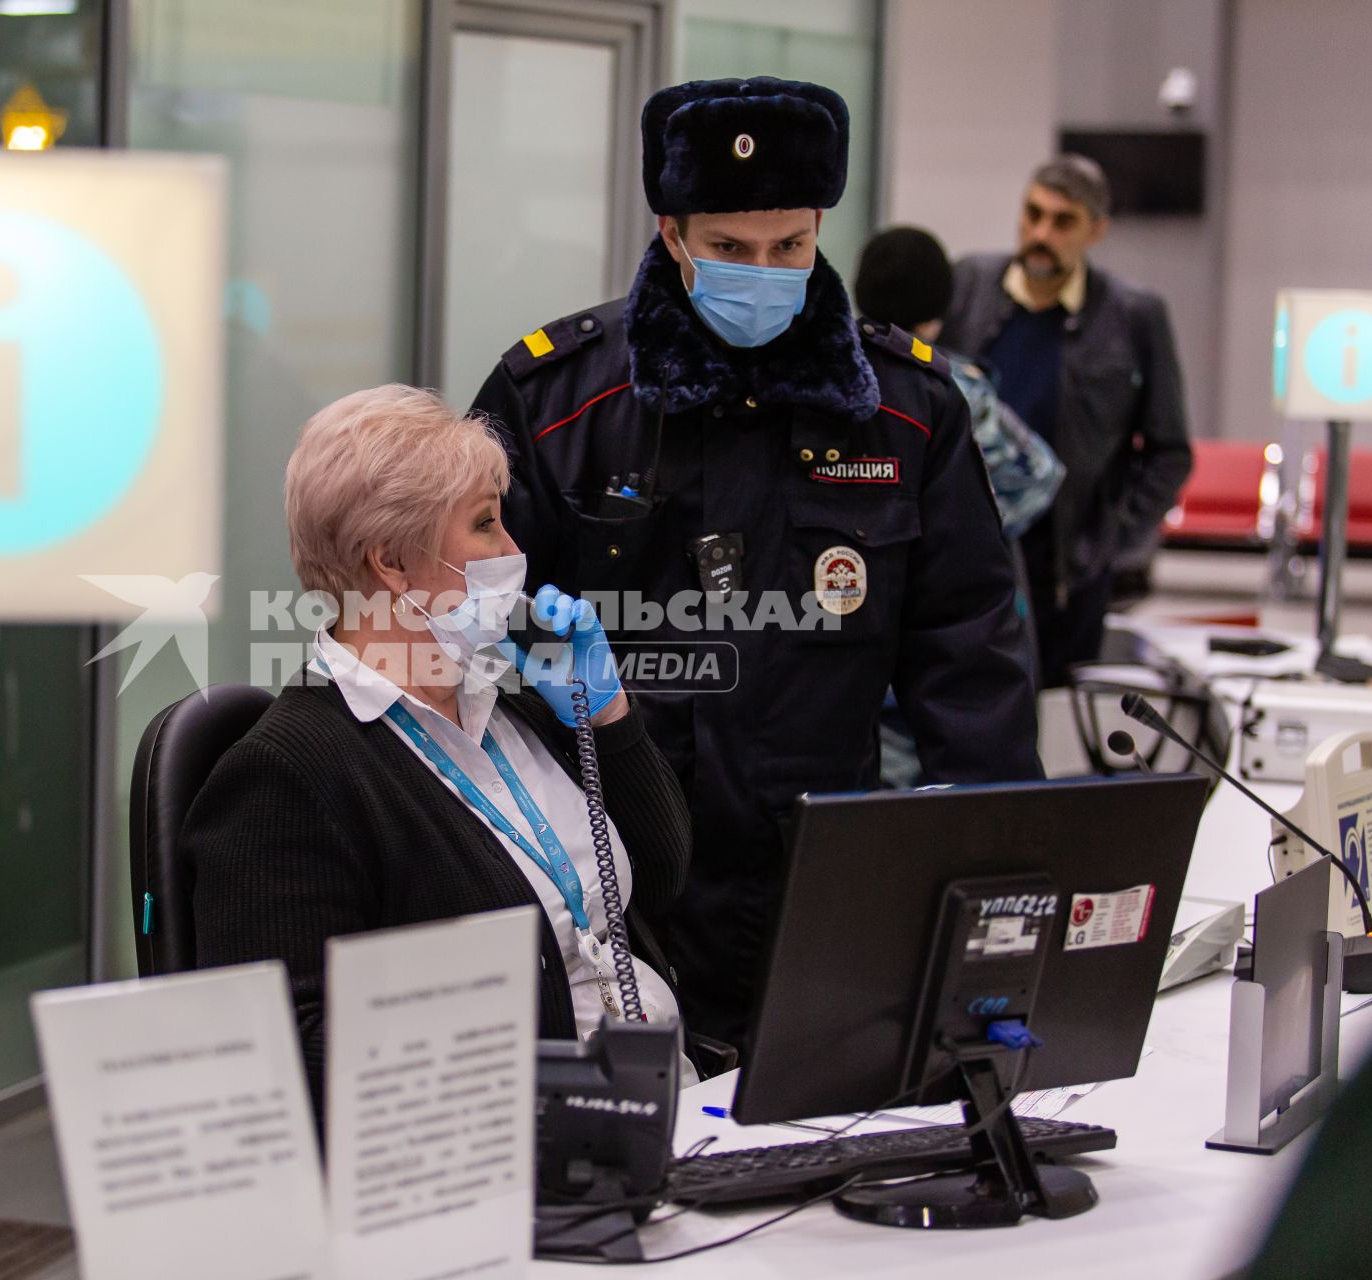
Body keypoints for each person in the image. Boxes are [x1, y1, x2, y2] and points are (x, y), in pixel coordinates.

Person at [470, 78, 1040, 1048]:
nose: (763, 271)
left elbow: (972, 669)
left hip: (824, 884)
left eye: (790, 247)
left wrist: (1000, 912)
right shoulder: (561, 398)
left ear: (822, 226)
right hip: (612, 889)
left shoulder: (904, 411)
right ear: (673, 230)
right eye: (731, 249)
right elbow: (473, 632)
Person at [184, 384, 695, 1119]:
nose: (515, 552)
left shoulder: (510, 702)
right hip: (516, 1164)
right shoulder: (288, 776)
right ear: (391, 563)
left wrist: (605, 713)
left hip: (662, 1114)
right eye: (485, 526)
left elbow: (664, 872)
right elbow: (285, 1054)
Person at [942, 155, 1193, 687]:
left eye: (1062, 222)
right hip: (964, 555)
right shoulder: (969, 286)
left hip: (1066, 574)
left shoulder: (1132, 315)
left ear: (1096, 230)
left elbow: (1170, 450)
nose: (1040, 233)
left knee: (1047, 736)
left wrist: (1114, 544)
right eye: (1033, 214)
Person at [854, 224, 1065, 710]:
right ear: (938, 311)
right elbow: (1041, 475)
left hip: (849, 637)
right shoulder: (951, 390)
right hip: (949, 637)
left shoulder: (830, 384)